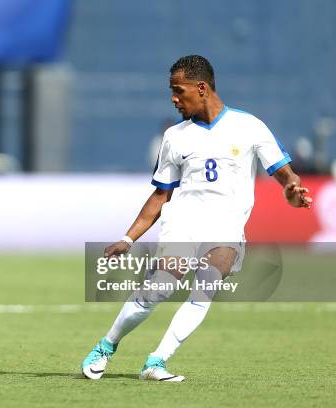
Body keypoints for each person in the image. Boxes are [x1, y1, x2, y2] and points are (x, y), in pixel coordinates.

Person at [82, 55, 312, 382]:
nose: (174, 99)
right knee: (158, 290)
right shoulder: (175, 137)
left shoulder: (250, 127)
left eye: (178, 91)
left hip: (227, 228)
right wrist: (128, 238)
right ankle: (107, 346)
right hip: (183, 223)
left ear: (201, 88)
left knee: (204, 291)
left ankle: (155, 363)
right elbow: (161, 194)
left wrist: (292, 190)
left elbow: (286, 176)